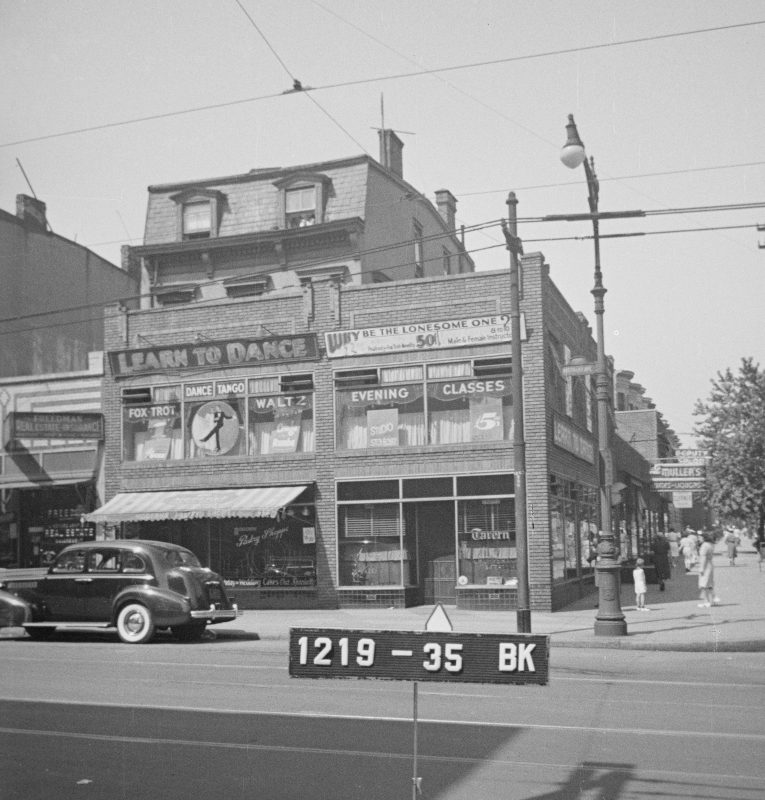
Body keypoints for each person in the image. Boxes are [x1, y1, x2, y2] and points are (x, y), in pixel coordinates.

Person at [697, 531, 719, 608]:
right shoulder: (711, 544)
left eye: (700, 537)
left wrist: (701, 568)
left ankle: (706, 602)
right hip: (710, 564)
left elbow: (703, 557)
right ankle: (714, 598)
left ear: (704, 538)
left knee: (703, 584)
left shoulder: (704, 545)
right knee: (709, 583)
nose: (698, 539)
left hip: (705, 565)